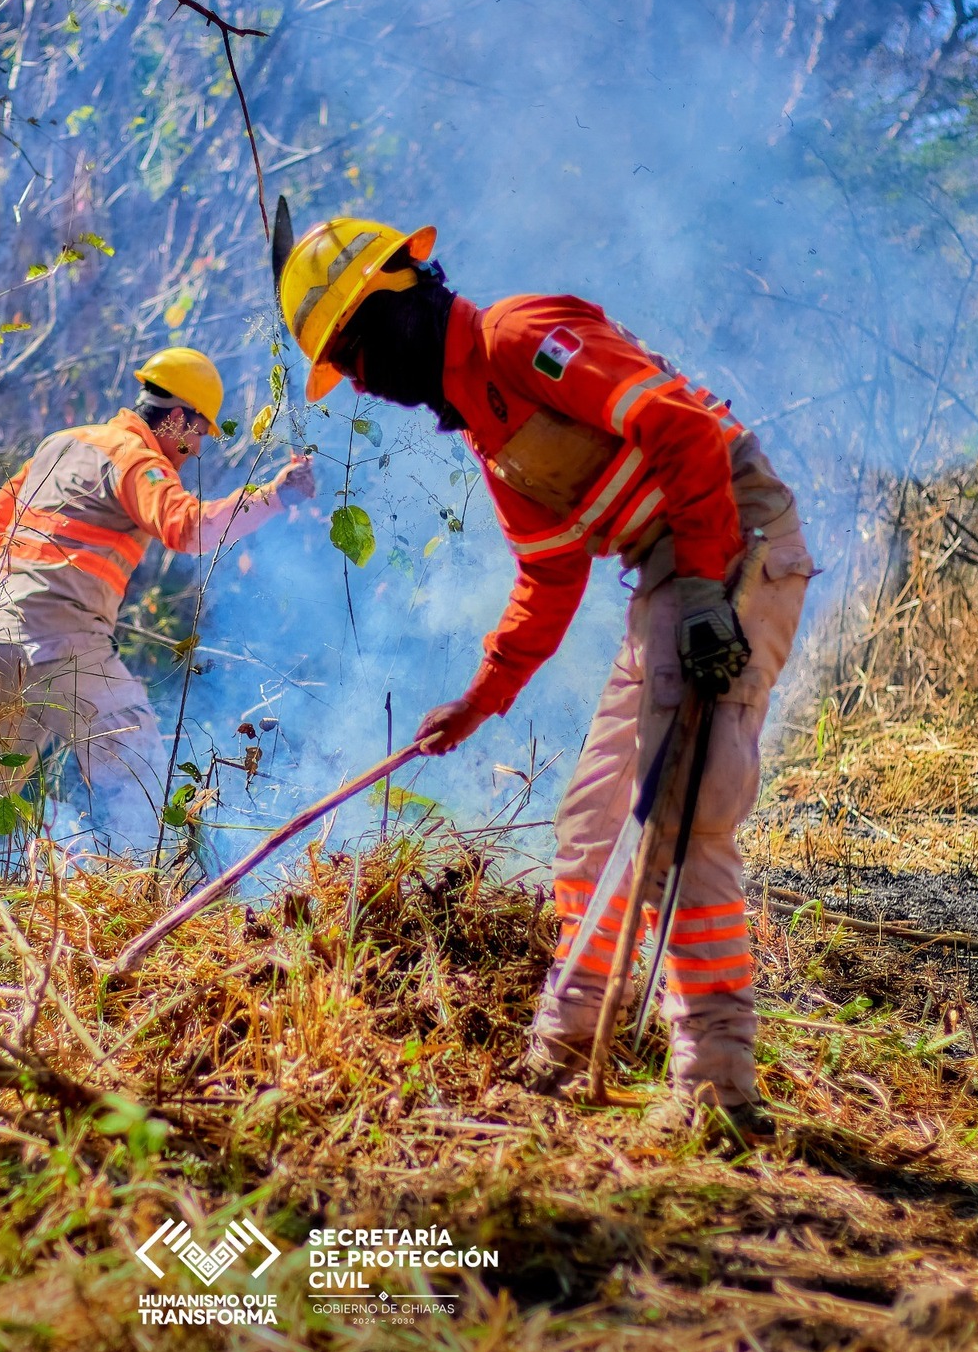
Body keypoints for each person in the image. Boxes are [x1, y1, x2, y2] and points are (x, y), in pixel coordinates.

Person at [274, 212, 813, 1132]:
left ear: (397, 302)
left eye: (354, 356)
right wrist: (480, 700)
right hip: (669, 577)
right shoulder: (489, 435)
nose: (360, 385)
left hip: (732, 542)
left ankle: (717, 1085)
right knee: (594, 817)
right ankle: (565, 1050)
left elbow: (676, 427)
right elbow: (550, 574)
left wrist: (702, 595)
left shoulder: (520, 338)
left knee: (684, 804)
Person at [0, 348, 315, 857]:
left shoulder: (59, 444)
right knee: (138, 764)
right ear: (176, 417)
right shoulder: (136, 459)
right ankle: (149, 900)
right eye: (198, 432)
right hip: (61, 641)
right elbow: (190, 528)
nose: (195, 449)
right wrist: (274, 496)